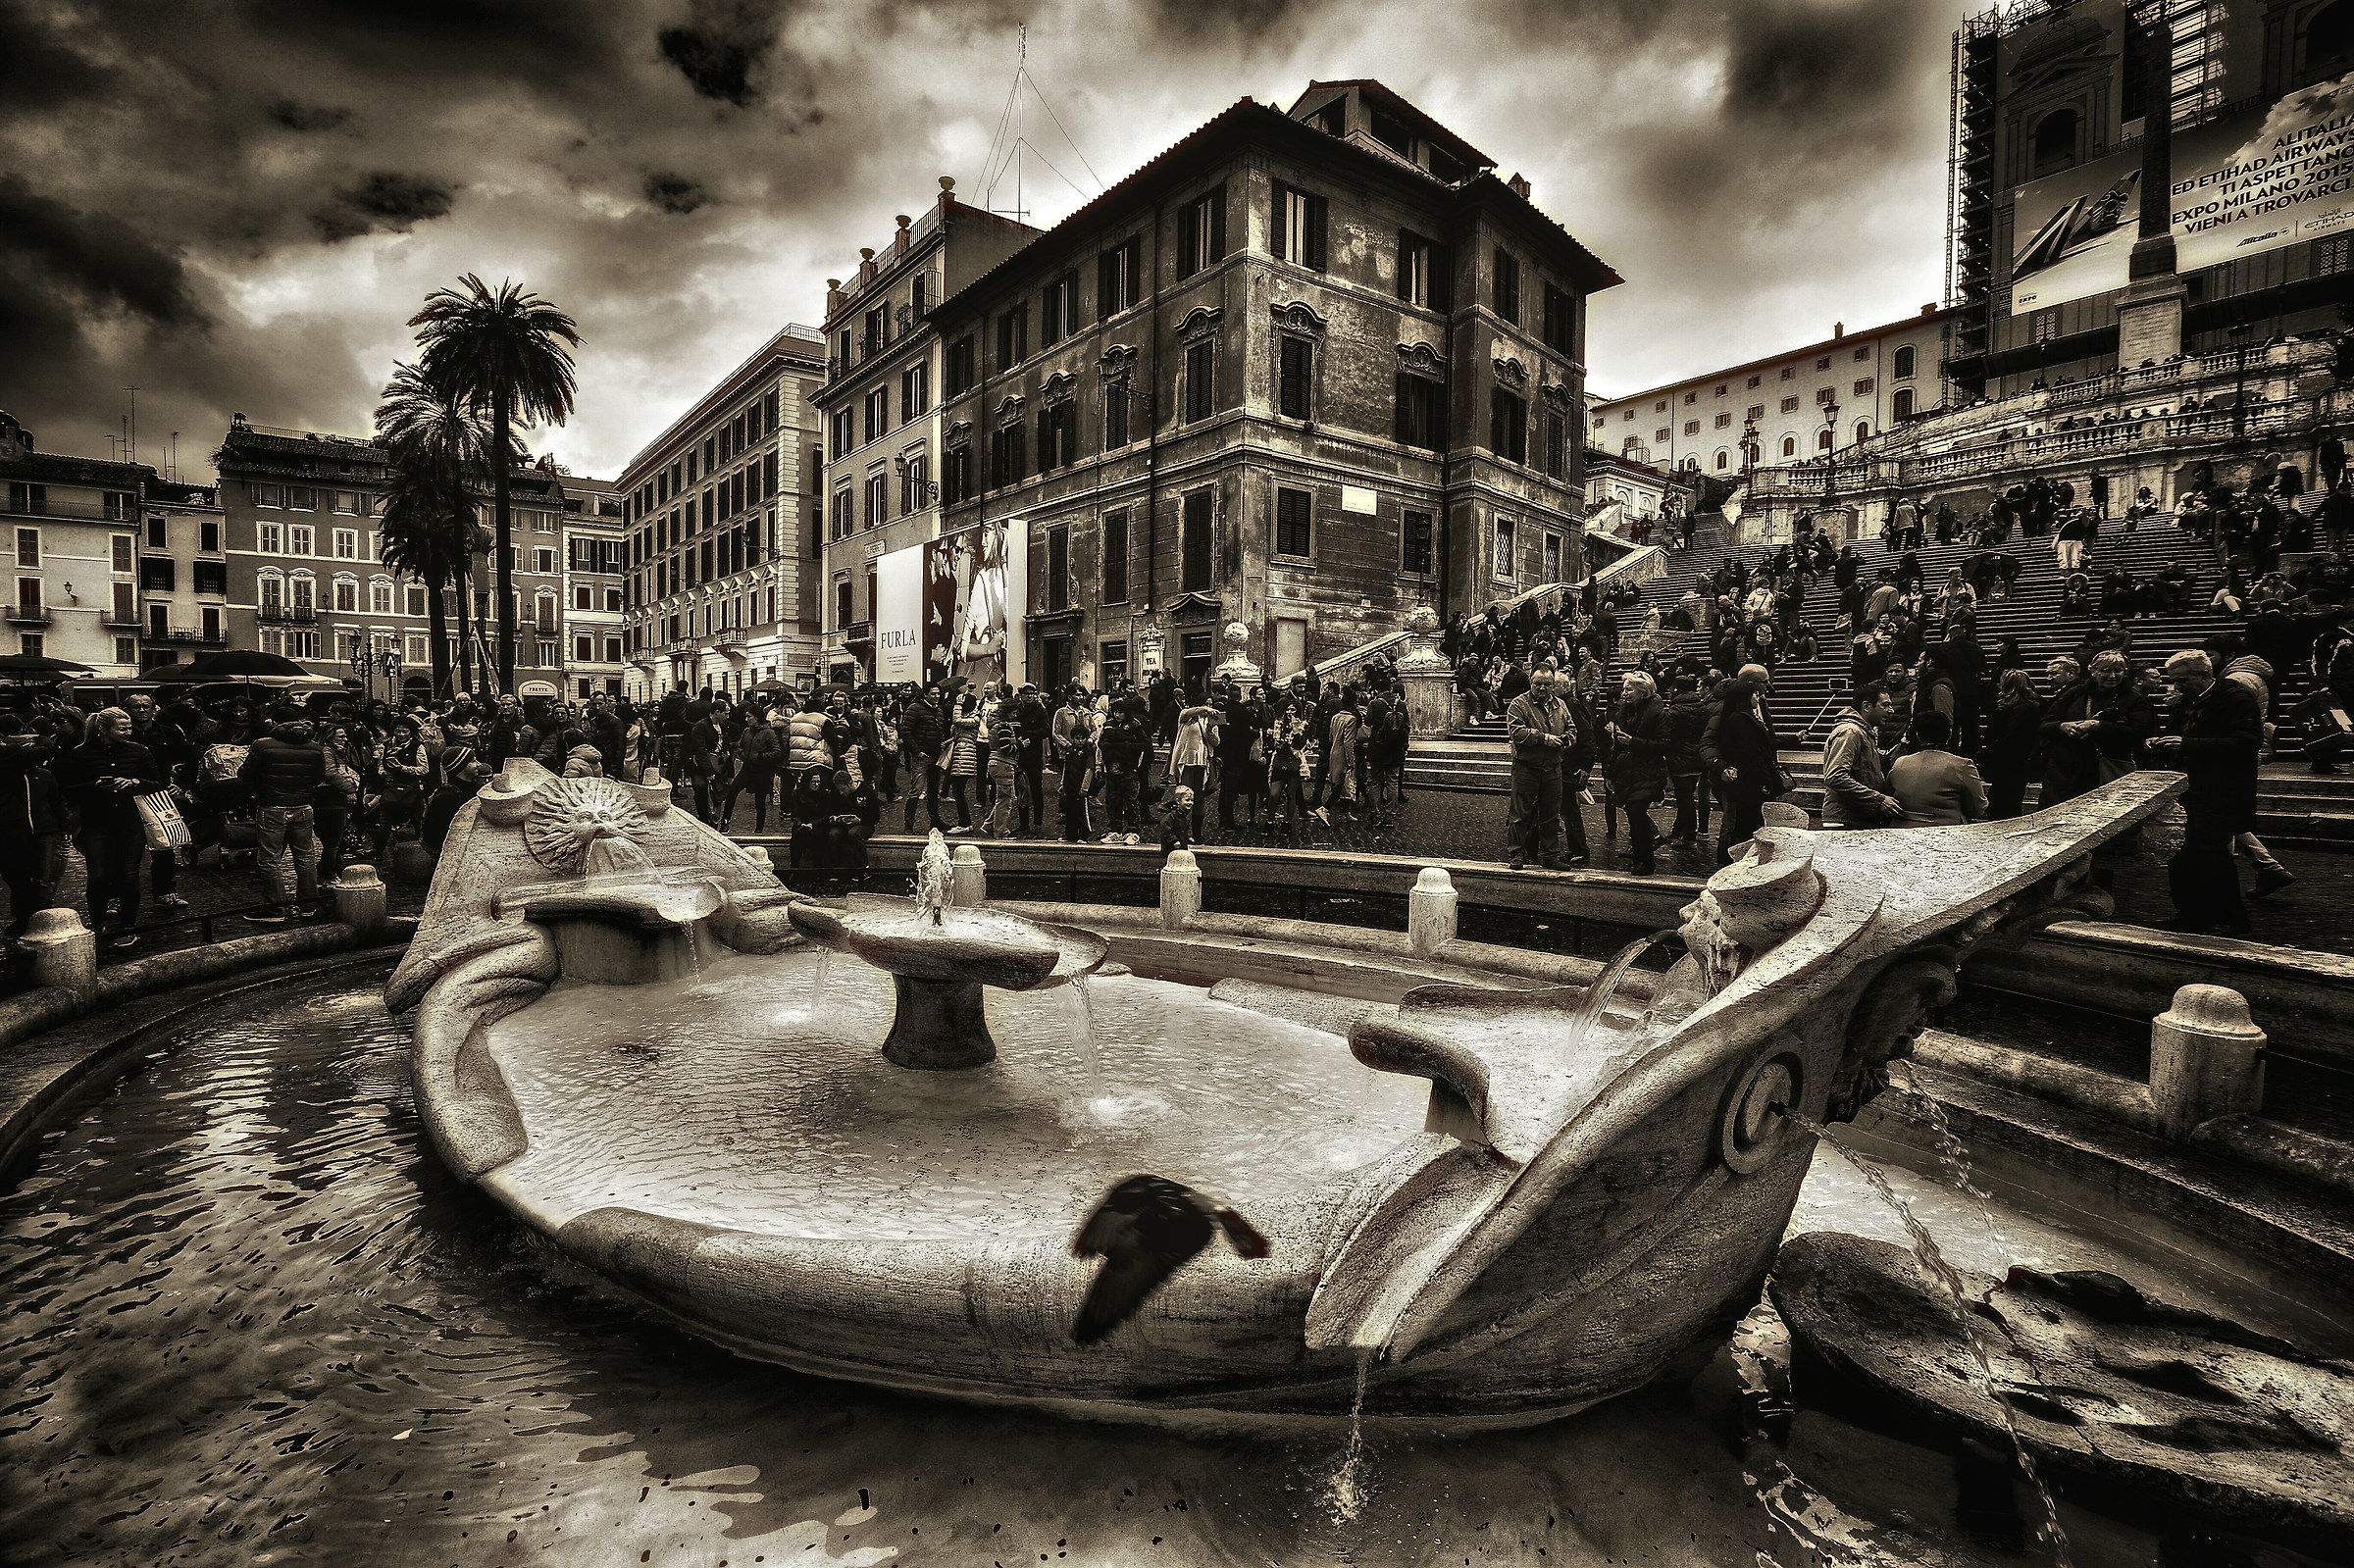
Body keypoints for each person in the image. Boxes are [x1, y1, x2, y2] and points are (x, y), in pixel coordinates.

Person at [2146, 650, 2261, 936]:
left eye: (2182, 680)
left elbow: (2246, 742)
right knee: (2181, 854)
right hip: (2186, 789)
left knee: (2213, 856)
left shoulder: (2237, 699)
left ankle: (2231, 919)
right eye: (2173, 681)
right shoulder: (2185, 702)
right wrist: (2159, 742)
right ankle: (2190, 913)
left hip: (2220, 791)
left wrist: (2187, 744)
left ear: (2203, 675)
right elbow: (2178, 737)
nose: (2176, 687)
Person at [237, 706, 326, 926]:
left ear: (275, 723)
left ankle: (275, 908)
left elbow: (244, 774)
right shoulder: (315, 748)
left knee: (270, 859)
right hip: (303, 806)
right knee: (305, 857)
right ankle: (309, 905)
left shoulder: (262, 745)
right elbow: (318, 777)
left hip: (272, 807)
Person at [1502, 664, 1575, 871]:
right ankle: (1516, 853)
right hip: (1526, 766)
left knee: (1551, 814)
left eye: (1547, 684)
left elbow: (1572, 727)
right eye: (1538, 684)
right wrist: (1544, 739)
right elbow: (1516, 731)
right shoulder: (1518, 704)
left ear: (1553, 684)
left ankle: (1550, 855)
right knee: (1520, 813)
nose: (1542, 688)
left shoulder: (1560, 705)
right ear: (1530, 683)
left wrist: (1567, 739)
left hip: (1553, 767)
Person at [0, 715, 63, 940]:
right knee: (23, 873)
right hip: (12, 824)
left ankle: (28, 917)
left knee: (19, 874)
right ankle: (33, 918)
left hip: (14, 824)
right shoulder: (10, 755)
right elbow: (46, 750)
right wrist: (42, 737)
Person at [1605, 671, 1668, 876]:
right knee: (1633, 813)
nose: (1624, 693)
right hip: (1627, 769)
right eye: (1624, 689)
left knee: (1636, 811)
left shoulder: (1659, 714)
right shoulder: (1625, 712)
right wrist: (1609, 774)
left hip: (1648, 770)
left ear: (1642, 691)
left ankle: (1646, 860)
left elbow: (1665, 744)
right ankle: (1640, 857)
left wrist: (1634, 742)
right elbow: (1617, 746)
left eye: (1628, 689)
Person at [1820, 683, 1905, 830]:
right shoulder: (1850, 732)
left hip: (1854, 819)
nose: (1891, 710)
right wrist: (1879, 799)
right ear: (1866, 706)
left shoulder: (1863, 731)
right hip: (1846, 821)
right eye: (1885, 705)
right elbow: (1835, 776)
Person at [1888, 711, 1987, 825]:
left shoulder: (1900, 763)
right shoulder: (1963, 766)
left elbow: (1889, 795)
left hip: (1901, 828)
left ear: (1918, 736)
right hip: (1946, 831)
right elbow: (1978, 808)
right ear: (1950, 734)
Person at [1982, 670, 2044, 819]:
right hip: (2022, 761)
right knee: (2011, 801)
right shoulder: (2035, 706)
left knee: (1999, 803)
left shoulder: (2007, 709)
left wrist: (1988, 752)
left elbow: (2003, 737)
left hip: (2005, 762)